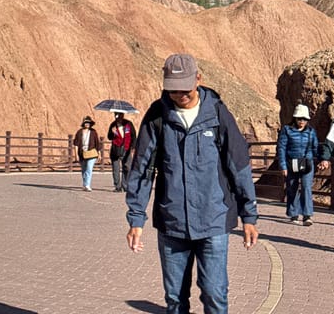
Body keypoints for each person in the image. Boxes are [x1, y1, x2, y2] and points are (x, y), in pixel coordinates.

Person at [126, 53, 259, 314]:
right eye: (173, 90)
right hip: (171, 222)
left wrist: (249, 216)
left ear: (198, 78)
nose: (180, 95)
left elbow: (239, 166)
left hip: (214, 222)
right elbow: (141, 170)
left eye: (185, 88)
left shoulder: (217, 113)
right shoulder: (157, 117)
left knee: (215, 295)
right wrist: (136, 220)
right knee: (175, 299)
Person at [277, 103, 319, 226]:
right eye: (300, 118)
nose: (302, 121)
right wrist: (283, 166)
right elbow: (281, 148)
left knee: (306, 187)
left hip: (307, 163)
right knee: (292, 188)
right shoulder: (287, 130)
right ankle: (293, 213)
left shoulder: (311, 132)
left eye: (304, 119)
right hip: (292, 163)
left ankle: (307, 215)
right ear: (295, 118)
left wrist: (320, 160)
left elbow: (315, 147)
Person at [107, 110, 137, 192]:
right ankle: (117, 186)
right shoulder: (113, 125)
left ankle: (125, 185)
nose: (118, 117)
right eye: (116, 115)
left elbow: (134, 136)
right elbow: (109, 137)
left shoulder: (128, 124)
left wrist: (133, 147)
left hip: (126, 149)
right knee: (116, 169)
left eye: (120, 115)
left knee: (127, 167)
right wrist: (112, 132)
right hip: (115, 150)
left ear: (123, 115)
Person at [73, 116, 101, 191]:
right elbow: (76, 144)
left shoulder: (93, 132)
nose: (87, 124)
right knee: (84, 170)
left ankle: (87, 185)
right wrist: (76, 155)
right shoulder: (79, 132)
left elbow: (97, 143)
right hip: (82, 153)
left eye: (88, 122)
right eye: (86, 122)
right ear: (83, 123)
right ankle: (85, 184)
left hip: (91, 153)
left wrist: (99, 154)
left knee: (89, 169)